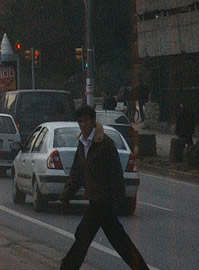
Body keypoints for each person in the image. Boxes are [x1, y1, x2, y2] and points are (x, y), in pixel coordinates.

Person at [57, 104, 150, 270]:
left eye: (86, 120)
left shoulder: (105, 143)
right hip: (96, 201)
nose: (83, 124)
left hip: (104, 201)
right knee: (118, 240)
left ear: (93, 121)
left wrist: (118, 201)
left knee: (84, 236)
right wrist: (65, 195)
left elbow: (116, 175)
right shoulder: (82, 143)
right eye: (80, 121)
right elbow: (77, 173)